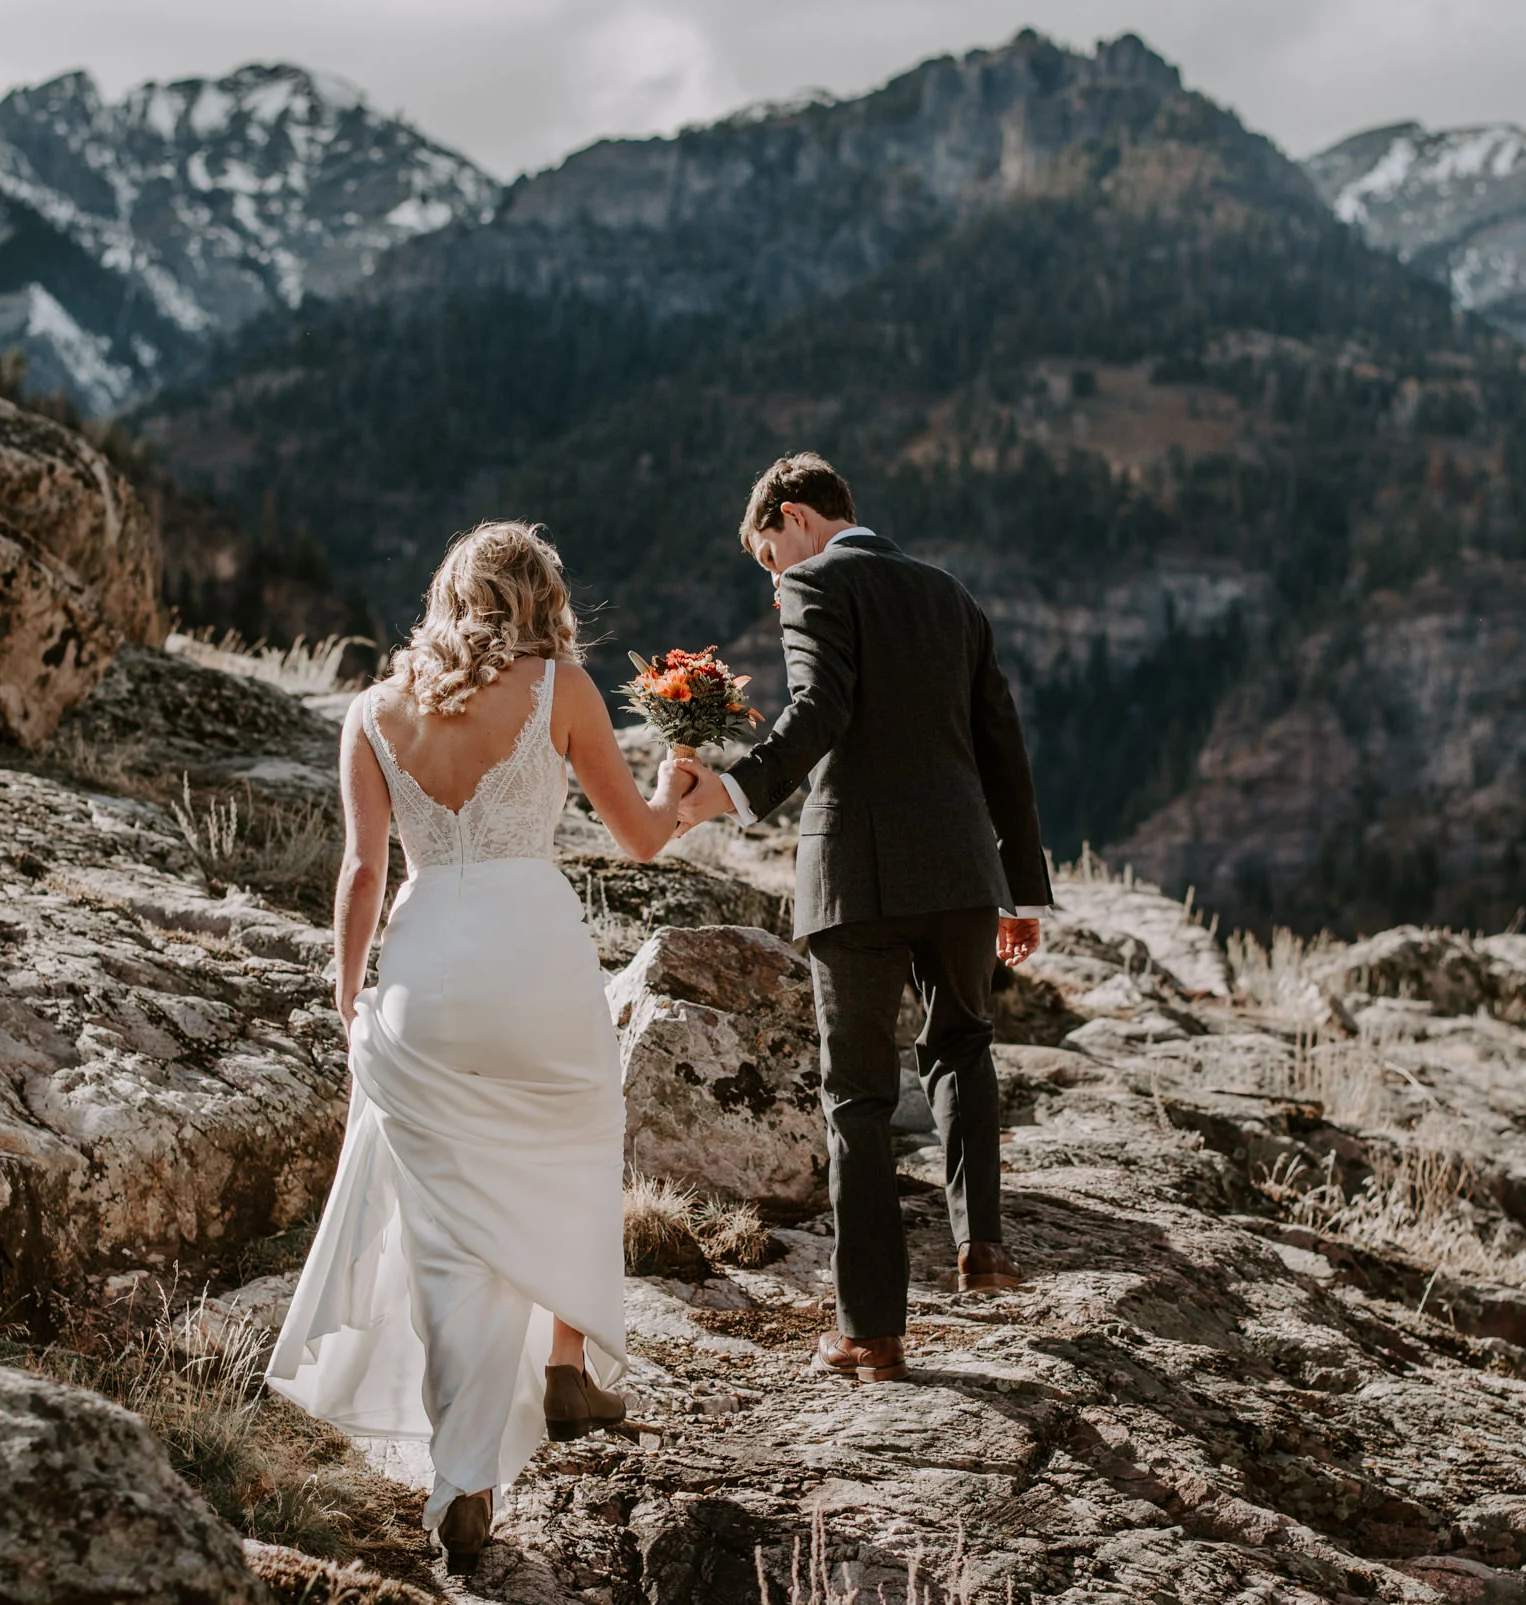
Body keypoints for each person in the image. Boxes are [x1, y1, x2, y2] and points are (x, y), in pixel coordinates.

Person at [265, 521, 692, 1576]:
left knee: (449, 1231)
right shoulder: (562, 690)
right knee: (576, 1146)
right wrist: (690, 792)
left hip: (421, 975)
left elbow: (362, 872)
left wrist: (345, 988)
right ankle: (567, 1360)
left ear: (448, 594)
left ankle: (464, 1480)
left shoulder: (370, 711)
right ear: (541, 599)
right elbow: (637, 838)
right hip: (534, 962)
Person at [674, 453, 1053, 1384]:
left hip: (858, 878)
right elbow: (1001, 739)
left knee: (858, 1101)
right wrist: (1023, 887)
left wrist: (729, 790)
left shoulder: (814, 581)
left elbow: (822, 708)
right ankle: (985, 1249)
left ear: (796, 519)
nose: (773, 583)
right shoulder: (950, 594)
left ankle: (872, 1332)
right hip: (964, 872)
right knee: (964, 1045)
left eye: (769, 557)